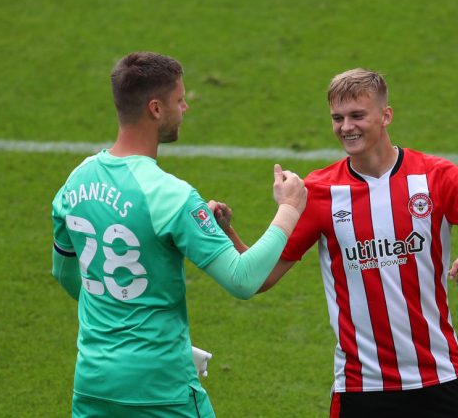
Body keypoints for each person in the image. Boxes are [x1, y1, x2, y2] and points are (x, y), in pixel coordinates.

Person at [253, 68, 458, 417]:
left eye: (357, 115)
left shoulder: (436, 176)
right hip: (362, 386)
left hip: (439, 376)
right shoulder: (320, 191)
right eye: (337, 118)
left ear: (386, 116)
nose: (346, 127)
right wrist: (222, 232)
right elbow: (260, 278)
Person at [50, 51, 306, 418]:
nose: (185, 107)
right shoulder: (171, 196)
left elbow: (64, 273)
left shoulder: (74, 182)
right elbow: (243, 279)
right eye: (180, 99)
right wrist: (289, 209)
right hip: (161, 390)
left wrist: (123, 324)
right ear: (155, 109)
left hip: (94, 385)